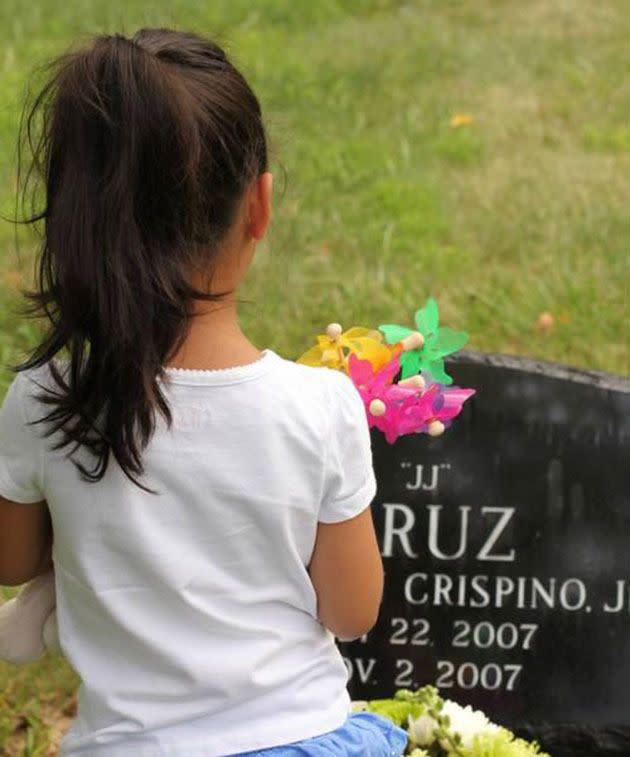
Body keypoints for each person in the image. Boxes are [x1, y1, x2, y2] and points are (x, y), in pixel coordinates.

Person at [0, 28, 409, 757]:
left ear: (79, 219)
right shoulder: (319, 406)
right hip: (302, 737)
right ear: (259, 207)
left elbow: (9, 559)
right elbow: (352, 611)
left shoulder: (42, 400)